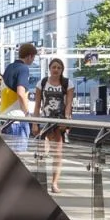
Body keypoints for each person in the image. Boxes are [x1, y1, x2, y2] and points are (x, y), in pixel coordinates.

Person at [35, 57, 73, 193]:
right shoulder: (42, 83)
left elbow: (68, 103)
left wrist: (66, 120)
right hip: (45, 121)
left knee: (58, 154)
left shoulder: (68, 83)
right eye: (54, 67)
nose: (56, 70)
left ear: (62, 69)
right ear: (49, 68)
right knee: (43, 152)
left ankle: (54, 183)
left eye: (59, 67)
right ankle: (40, 181)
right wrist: (35, 123)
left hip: (60, 122)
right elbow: (37, 104)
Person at [0, 42, 38, 150]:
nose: (33, 60)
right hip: (17, 119)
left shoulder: (9, 67)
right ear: (30, 56)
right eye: (33, 57)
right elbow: (21, 93)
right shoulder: (23, 68)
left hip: (4, 117)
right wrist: (27, 114)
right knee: (20, 155)